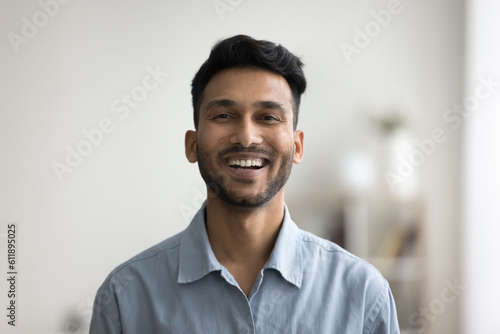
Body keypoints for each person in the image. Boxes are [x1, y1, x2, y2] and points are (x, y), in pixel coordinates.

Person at [89, 34, 400, 334]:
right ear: (192, 145)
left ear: (298, 147)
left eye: (268, 117)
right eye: (224, 115)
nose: (247, 137)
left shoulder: (363, 295)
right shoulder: (124, 297)